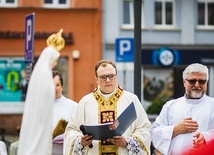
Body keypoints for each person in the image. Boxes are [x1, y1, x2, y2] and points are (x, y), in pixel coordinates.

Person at [64, 60, 151, 155]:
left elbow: (145, 129)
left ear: (116, 77)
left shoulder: (131, 100)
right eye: (103, 77)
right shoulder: (86, 102)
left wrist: (127, 142)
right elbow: (71, 130)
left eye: (111, 76)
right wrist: (80, 141)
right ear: (96, 79)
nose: (108, 80)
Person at [18, 29, 64, 155]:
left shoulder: (42, 73)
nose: (55, 63)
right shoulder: (44, 74)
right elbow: (45, 96)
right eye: (55, 59)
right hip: (40, 117)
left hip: (41, 116)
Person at [150, 63, 214, 155]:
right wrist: (175, 129)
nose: (197, 85)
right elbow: (154, 132)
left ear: (206, 82)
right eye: (192, 81)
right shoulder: (171, 106)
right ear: (184, 82)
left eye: (201, 81)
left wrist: (206, 137)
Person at [52, 70, 77, 155]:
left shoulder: (73, 106)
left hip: (65, 148)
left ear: (62, 87)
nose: (54, 88)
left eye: (57, 85)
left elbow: (78, 130)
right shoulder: (39, 107)